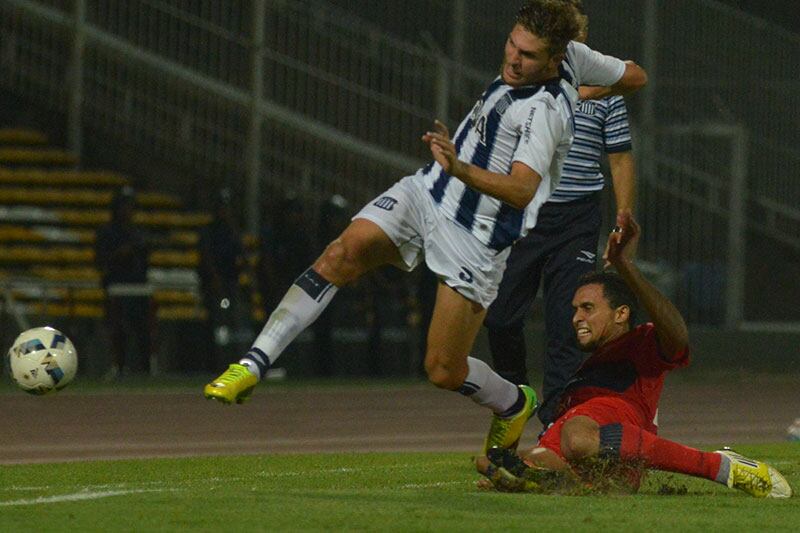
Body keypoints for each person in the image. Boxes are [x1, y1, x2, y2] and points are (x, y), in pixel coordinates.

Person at [205, 0, 647, 454]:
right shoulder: (573, 56)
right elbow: (635, 76)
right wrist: (591, 90)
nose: (513, 60)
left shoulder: (546, 111)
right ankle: (253, 363)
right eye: (512, 45)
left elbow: (521, 190)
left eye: (527, 56)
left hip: (474, 236)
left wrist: (461, 167)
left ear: (553, 60)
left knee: (442, 368)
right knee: (342, 254)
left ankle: (514, 403)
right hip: (427, 193)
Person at [475, 213, 793, 498]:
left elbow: (678, 335)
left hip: (600, 432)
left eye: (587, 308)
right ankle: (573, 485)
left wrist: (627, 267)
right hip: (586, 450)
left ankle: (718, 466)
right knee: (495, 462)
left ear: (621, 314)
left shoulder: (640, 343)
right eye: (575, 310)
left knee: (577, 437)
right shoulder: (585, 370)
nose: (576, 318)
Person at [484, 0, 637, 428]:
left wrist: (624, 213)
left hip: (576, 218)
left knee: (568, 327)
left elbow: (620, 157)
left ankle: (558, 425)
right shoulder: (519, 87)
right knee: (499, 318)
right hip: (525, 216)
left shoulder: (607, 96)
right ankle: (514, 403)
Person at [95, 186, 155, 379]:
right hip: (117, 289)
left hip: (138, 288)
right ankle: (118, 368)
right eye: (124, 206)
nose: (128, 210)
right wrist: (120, 255)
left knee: (143, 331)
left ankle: (145, 369)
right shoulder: (107, 232)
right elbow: (101, 261)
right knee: (118, 331)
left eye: (130, 206)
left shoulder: (138, 232)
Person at [197, 188, 245, 372]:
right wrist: (215, 279)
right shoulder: (209, 231)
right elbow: (206, 257)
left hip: (231, 283)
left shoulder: (232, 231)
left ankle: (236, 362)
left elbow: (241, 256)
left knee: (234, 324)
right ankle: (215, 365)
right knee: (217, 325)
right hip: (215, 286)